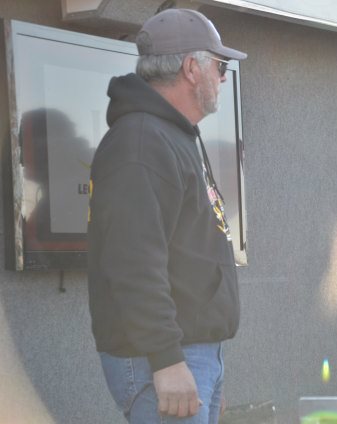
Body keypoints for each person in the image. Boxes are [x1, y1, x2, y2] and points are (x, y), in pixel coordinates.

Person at [87, 8, 246, 424]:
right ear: (192, 69)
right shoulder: (140, 142)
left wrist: (209, 367)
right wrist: (168, 361)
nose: (224, 77)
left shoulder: (171, 134)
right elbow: (132, 262)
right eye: (220, 66)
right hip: (160, 359)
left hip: (191, 355)